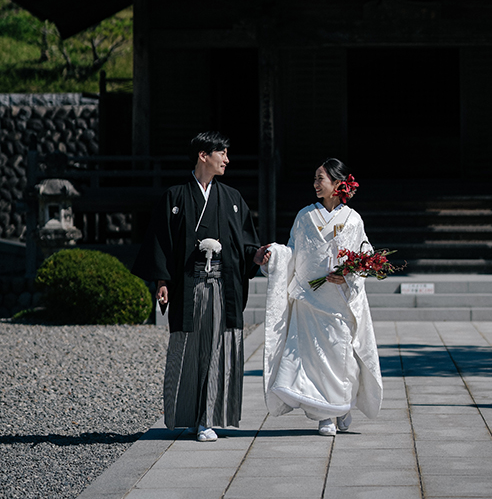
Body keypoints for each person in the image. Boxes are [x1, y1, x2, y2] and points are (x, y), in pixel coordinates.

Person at [132, 131, 260, 442]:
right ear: (204, 155)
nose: (227, 160)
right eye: (222, 153)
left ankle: (208, 420)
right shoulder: (175, 197)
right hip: (188, 286)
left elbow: (244, 243)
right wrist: (162, 280)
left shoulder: (232, 199)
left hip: (220, 285)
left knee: (217, 349)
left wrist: (257, 254)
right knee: (187, 349)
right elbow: (162, 242)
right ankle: (188, 416)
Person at [256, 158, 383, 436]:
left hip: (338, 299)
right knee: (313, 361)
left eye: (320, 179)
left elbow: (365, 254)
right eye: (314, 179)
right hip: (309, 300)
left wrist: (350, 274)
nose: (315, 184)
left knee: (343, 360)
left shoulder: (353, 219)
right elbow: (292, 251)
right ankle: (325, 415)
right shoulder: (304, 216)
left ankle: (343, 405)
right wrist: (275, 255)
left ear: (338, 184)